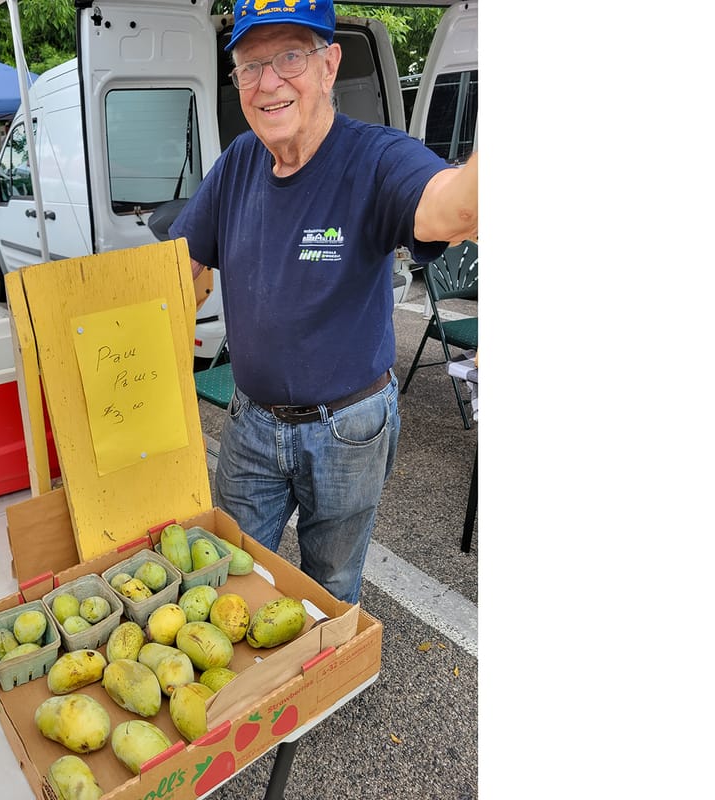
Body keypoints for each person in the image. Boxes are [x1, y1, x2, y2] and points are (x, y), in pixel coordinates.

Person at [169, 0, 478, 604]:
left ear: (330, 65)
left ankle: (321, 693)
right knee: (228, 578)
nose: (269, 83)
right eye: (251, 66)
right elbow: (176, 269)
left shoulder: (376, 158)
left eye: (290, 57)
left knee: (328, 589)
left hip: (348, 429)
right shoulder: (237, 163)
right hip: (251, 422)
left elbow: (457, 208)